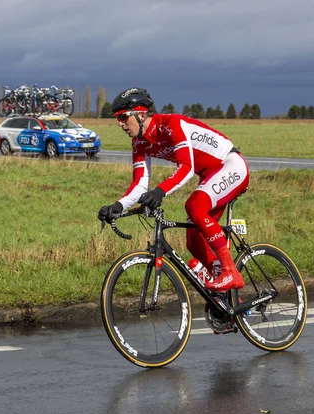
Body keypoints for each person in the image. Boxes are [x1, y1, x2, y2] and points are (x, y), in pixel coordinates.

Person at [98, 87, 249, 291]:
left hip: (230, 165)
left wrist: (160, 191)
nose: (120, 124)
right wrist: (118, 205)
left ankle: (231, 271)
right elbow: (140, 182)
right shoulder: (139, 143)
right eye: (118, 119)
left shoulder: (171, 125)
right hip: (210, 176)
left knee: (194, 206)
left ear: (141, 114)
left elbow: (186, 167)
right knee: (193, 241)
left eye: (124, 117)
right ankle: (227, 302)